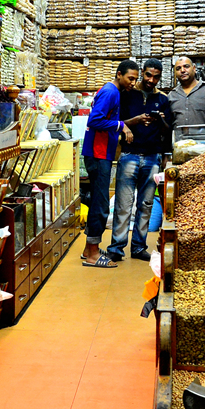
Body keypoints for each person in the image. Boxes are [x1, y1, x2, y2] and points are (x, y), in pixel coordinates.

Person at [107, 59, 172, 263]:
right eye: (148, 75)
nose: (151, 80)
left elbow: (168, 131)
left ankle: (138, 247)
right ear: (142, 72)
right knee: (123, 204)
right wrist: (134, 122)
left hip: (153, 156)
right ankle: (116, 248)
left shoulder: (163, 99)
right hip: (129, 154)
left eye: (156, 77)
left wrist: (161, 120)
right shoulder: (126, 94)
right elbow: (116, 122)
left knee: (146, 204)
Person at [80, 59, 138, 268]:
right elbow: (95, 120)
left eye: (135, 79)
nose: (133, 83)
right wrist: (121, 125)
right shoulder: (110, 92)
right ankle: (93, 254)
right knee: (101, 203)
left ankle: (89, 248)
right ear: (119, 74)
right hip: (98, 153)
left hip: (100, 152)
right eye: (130, 78)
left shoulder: (113, 91)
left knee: (99, 200)